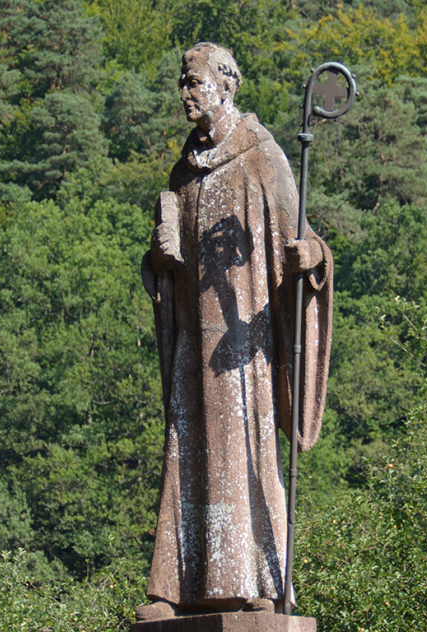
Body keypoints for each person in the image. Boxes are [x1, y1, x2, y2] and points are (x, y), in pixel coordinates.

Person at [138, 43, 333, 621]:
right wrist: (160, 258)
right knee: (185, 448)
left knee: (240, 451)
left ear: (226, 85)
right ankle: (175, 586)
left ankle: (257, 580)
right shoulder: (182, 174)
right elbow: (167, 267)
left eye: (194, 81)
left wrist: (311, 260)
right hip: (192, 341)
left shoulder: (261, 157)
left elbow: (306, 244)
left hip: (242, 344)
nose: (185, 93)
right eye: (182, 82)